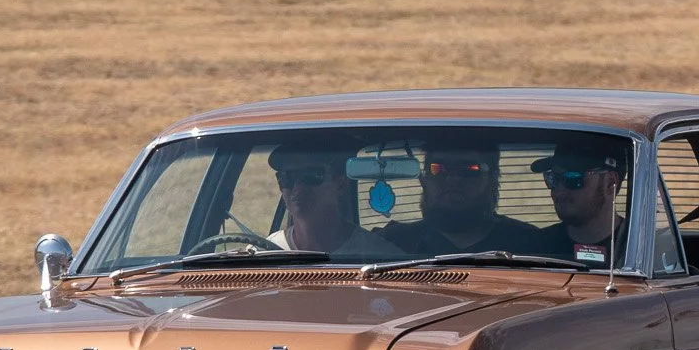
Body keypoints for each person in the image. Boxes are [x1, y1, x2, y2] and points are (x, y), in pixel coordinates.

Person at [381, 144, 539, 257]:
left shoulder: (533, 245)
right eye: (439, 169)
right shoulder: (390, 244)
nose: (452, 179)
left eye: (468, 170)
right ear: (424, 179)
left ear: (492, 179)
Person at [264, 144, 402, 261]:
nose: (298, 188)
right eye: (287, 178)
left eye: (311, 176)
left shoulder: (380, 258)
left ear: (340, 185)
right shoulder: (263, 254)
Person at [529, 139, 629, 268]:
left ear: (610, 182)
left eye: (573, 178)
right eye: (552, 178)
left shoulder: (638, 251)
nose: (558, 192)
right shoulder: (534, 250)